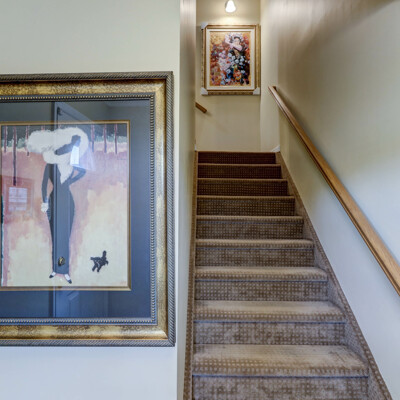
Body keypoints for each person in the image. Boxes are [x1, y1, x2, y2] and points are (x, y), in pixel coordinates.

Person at [27, 127, 89, 284]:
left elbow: (83, 172)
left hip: (67, 201)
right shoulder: (50, 165)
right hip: (54, 201)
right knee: (55, 235)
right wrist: (45, 202)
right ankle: (56, 269)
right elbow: (43, 185)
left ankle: (65, 270)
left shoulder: (70, 163)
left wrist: (70, 181)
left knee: (65, 236)